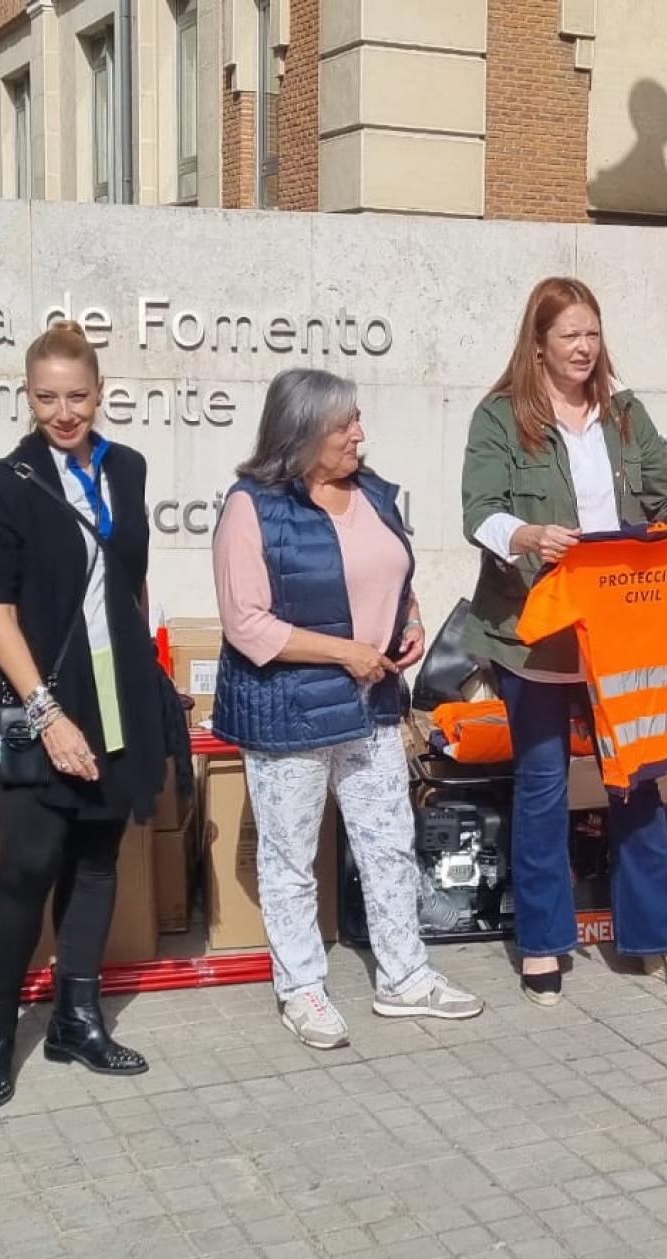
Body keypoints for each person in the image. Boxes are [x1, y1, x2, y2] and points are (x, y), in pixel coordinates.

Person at [460, 276, 667, 1007]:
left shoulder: (625, 415)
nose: (585, 348)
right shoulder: (501, 416)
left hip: (623, 633)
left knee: (638, 779)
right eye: (570, 336)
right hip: (535, 630)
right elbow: (480, 510)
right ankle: (542, 943)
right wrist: (526, 534)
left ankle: (660, 937)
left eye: (592, 334)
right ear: (538, 346)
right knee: (541, 788)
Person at [212, 368, 484, 1046]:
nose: (359, 433)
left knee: (389, 843)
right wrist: (345, 653)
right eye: (343, 425)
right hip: (290, 711)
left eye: (357, 419)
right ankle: (301, 989)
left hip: (372, 705)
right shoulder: (252, 507)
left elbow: (393, 576)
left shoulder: (374, 494)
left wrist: (410, 616)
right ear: (301, 433)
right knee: (290, 858)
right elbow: (246, 623)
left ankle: (404, 977)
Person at [0, 320, 172, 1108]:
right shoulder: (5, 482)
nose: (63, 412)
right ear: (28, 396)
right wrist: (47, 715)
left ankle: (76, 1018)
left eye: (76, 396)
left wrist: (151, 680)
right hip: (36, 699)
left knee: (97, 858)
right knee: (25, 867)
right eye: (46, 397)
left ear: (99, 392)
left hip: (118, 692)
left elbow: (131, 581)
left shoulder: (129, 468)